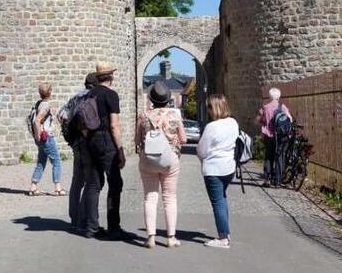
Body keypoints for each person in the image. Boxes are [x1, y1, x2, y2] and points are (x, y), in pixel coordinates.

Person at [135, 81, 187, 249]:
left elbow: (137, 141)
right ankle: (171, 238)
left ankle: (150, 237)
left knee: (150, 197)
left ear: (151, 99)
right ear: (167, 99)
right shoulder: (175, 114)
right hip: (169, 159)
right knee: (170, 198)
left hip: (148, 160)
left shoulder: (143, 115)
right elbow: (184, 139)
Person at [80, 61, 126, 240]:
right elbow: (114, 125)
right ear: (111, 77)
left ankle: (91, 228)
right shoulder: (110, 95)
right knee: (115, 183)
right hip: (106, 140)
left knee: (93, 184)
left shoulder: (88, 94)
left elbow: (81, 122)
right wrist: (120, 150)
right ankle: (114, 228)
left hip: (89, 141)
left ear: (98, 77)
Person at [196, 94, 238, 248]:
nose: (208, 111)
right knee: (222, 198)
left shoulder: (212, 127)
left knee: (218, 202)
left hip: (214, 168)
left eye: (209, 107)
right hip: (228, 167)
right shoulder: (233, 123)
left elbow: (202, 149)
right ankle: (225, 231)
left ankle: (223, 238)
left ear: (215, 108)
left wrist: (201, 156)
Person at [58, 72, 98, 229]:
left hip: (76, 143)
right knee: (90, 182)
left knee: (77, 181)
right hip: (88, 142)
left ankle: (74, 217)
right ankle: (83, 218)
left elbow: (61, 115)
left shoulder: (75, 97)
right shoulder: (92, 97)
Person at [28, 83, 65, 196]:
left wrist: (37, 136)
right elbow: (37, 120)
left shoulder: (38, 104)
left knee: (41, 161)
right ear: (50, 92)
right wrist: (39, 135)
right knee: (57, 161)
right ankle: (58, 188)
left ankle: (33, 187)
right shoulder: (45, 105)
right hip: (46, 137)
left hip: (41, 138)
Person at [257, 87, 292, 187]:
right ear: (279, 96)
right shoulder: (282, 107)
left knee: (269, 157)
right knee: (279, 157)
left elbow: (260, 120)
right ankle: (277, 181)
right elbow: (290, 119)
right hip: (280, 136)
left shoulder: (265, 107)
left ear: (269, 96)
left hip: (268, 136)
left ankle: (267, 180)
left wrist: (265, 121)